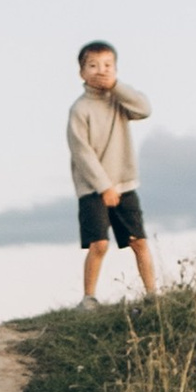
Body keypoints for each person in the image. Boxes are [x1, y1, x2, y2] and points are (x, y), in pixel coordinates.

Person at [69, 40, 158, 304]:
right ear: (82, 73)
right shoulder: (79, 109)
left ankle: (152, 294)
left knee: (138, 241)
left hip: (124, 183)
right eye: (93, 66)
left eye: (108, 65)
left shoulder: (120, 101)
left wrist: (117, 86)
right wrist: (103, 186)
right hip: (92, 189)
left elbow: (144, 109)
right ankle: (88, 298)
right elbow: (81, 152)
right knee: (99, 245)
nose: (101, 70)